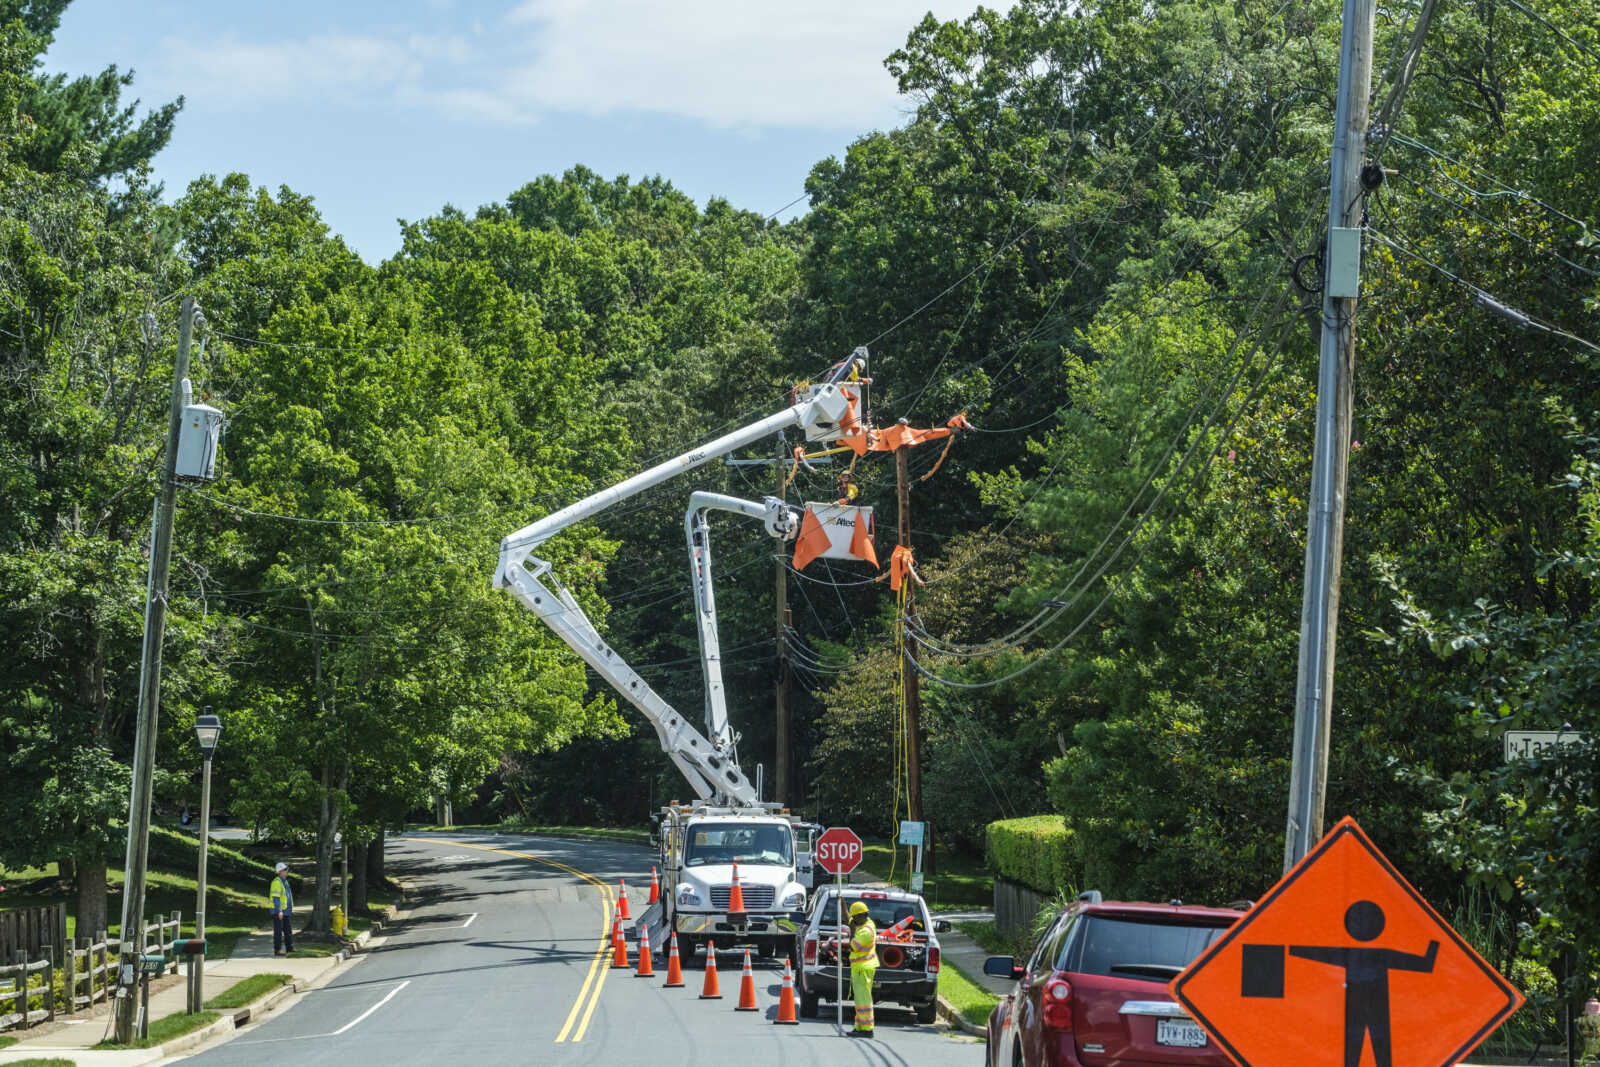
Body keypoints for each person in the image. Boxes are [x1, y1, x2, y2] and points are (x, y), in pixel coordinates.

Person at [847, 900, 878, 1038]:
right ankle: (859, 1027)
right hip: (861, 968)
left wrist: (852, 931)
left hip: (862, 969)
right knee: (860, 1000)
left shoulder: (866, 931)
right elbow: (847, 918)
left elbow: (854, 946)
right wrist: (841, 902)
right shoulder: (866, 922)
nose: (852, 920)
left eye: (854, 917)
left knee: (863, 1000)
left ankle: (867, 1029)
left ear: (860, 916)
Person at [270, 861, 295, 956]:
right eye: (285, 870)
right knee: (278, 931)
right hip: (278, 911)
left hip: (286, 911)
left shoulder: (285, 882)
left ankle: (290, 948)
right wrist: (279, 911)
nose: (287, 871)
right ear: (280, 871)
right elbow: (276, 898)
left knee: (288, 930)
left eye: (287, 869)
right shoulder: (276, 882)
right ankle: (277, 950)